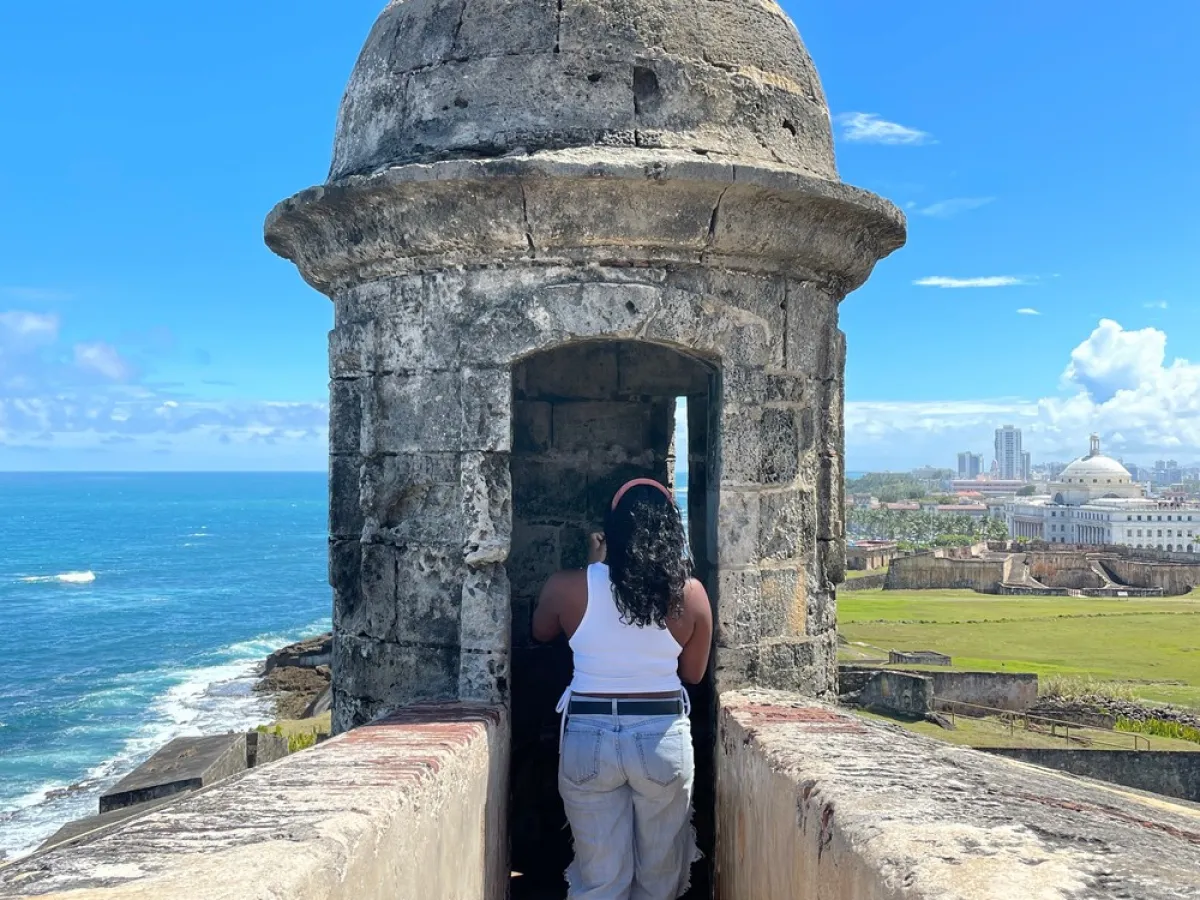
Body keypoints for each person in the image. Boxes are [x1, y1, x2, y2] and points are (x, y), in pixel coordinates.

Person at [532, 478, 713, 900]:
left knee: (601, 880)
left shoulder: (567, 585)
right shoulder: (690, 595)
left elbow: (540, 632)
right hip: (661, 736)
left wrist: (593, 566)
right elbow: (694, 674)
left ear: (610, 531)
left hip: (588, 734)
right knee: (658, 879)